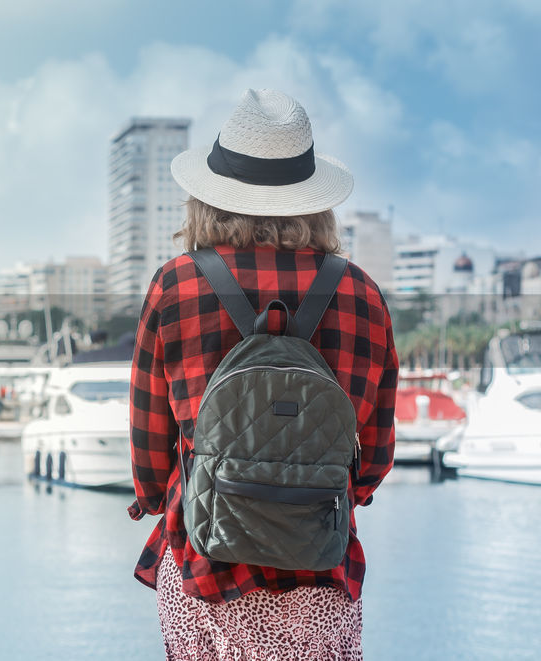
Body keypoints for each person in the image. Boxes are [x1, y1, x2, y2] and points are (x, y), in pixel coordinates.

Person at [127, 89, 397, 659]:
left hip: (204, 563)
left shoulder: (174, 285)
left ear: (208, 197)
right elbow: (371, 460)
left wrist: (163, 497)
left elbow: (150, 456)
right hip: (319, 570)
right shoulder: (361, 293)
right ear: (315, 201)